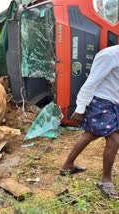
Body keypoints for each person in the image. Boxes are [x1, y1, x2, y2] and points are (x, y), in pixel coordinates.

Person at [60, 45, 119, 199]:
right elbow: (91, 81)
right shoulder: (110, 55)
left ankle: (68, 165)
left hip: (115, 103)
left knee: (91, 134)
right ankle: (106, 181)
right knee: (114, 139)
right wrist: (80, 107)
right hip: (101, 101)